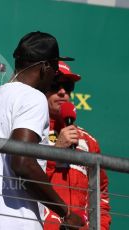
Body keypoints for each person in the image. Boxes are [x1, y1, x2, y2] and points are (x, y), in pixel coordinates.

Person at [0, 31, 85, 230]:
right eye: (55, 67)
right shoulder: (33, 98)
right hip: (13, 222)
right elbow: (22, 163)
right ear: (45, 66)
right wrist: (66, 212)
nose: (55, 74)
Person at [43, 61, 111, 230]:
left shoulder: (88, 140)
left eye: (68, 86)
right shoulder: (30, 132)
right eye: (55, 85)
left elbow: (100, 193)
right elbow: (22, 177)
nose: (62, 92)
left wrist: (99, 228)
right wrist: (56, 151)